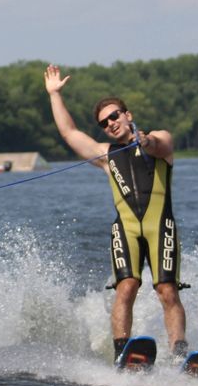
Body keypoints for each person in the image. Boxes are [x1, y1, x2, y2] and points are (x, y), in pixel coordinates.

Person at [44, 64, 189, 363]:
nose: (110, 123)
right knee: (126, 286)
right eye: (103, 122)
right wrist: (55, 95)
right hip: (125, 229)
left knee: (167, 291)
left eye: (114, 116)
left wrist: (144, 141)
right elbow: (70, 133)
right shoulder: (106, 156)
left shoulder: (157, 139)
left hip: (160, 227)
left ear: (127, 115)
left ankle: (179, 354)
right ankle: (122, 353)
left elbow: (161, 145)